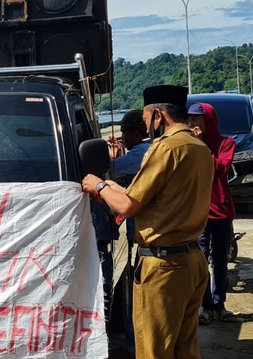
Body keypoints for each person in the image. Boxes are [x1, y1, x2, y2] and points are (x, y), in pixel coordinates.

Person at [82, 85, 212, 359]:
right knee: (185, 348)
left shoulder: (164, 149)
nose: (145, 127)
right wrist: (107, 187)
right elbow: (141, 196)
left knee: (154, 350)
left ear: (158, 116)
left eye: (145, 120)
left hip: (163, 267)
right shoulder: (198, 147)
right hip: (193, 261)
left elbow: (128, 206)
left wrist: (99, 185)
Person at [188, 102, 238, 324]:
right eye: (190, 118)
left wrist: (201, 145)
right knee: (200, 260)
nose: (193, 123)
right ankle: (204, 306)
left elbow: (219, 169)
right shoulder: (188, 144)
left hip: (222, 211)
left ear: (208, 119)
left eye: (197, 118)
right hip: (198, 210)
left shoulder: (226, 143)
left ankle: (219, 305)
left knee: (219, 259)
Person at [106, 109, 150, 359]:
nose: (123, 138)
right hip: (141, 234)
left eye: (125, 133)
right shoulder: (146, 150)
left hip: (143, 236)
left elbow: (113, 169)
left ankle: (135, 347)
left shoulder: (143, 153)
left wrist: (111, 158)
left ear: (135, 134)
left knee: (140, 293)